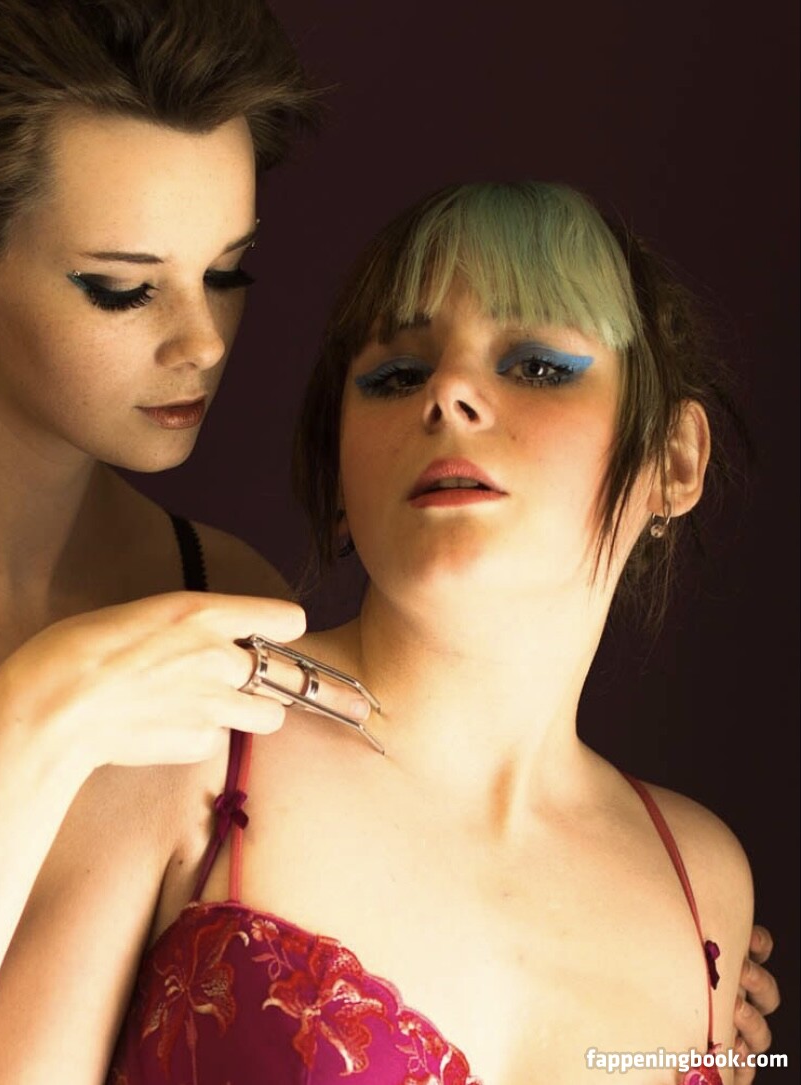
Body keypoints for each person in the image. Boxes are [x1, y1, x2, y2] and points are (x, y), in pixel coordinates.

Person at [0, 0, 777, 1080]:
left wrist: (651, 991)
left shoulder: (227, 600)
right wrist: (29, 727)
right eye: (122, 287)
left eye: (226, 274)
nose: (203, 342)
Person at [102, 182, 766, 1083]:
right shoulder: (181, 737)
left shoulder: (703, 881)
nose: (448, 392)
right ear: (340, 474)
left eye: (538, 365)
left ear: (674, 459)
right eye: (396, 376)